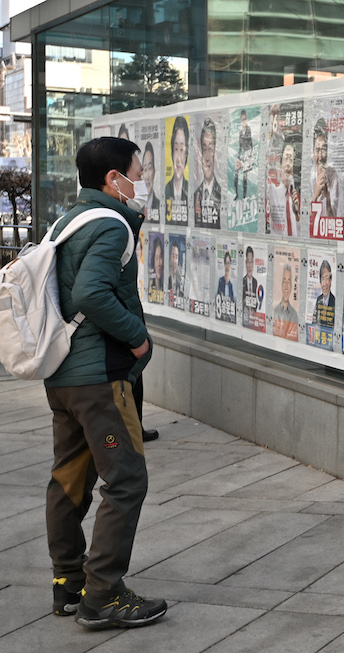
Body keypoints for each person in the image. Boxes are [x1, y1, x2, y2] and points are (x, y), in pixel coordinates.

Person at [44, 136, 167, 629]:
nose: (143, 181)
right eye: (138, 172)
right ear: (113, 180)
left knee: (69, 477)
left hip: (65, 378)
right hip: (99, 378)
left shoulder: (67, 221)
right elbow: (91, 293)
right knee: (127, 479)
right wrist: (138, 339)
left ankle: (68, 585)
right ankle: (104, 595)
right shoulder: (110, 225)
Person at [310, 118, 344, 219]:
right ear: (313, 151)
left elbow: (333, 219)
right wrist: (316, 194)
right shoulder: (308, 176)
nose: (320, 157)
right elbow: (304, 221)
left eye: (323, 150)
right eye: (317, 150)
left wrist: (327, 199)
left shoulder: (333, 176)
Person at [193, 118, 222, 228]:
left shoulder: (222, 194)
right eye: (204, 149)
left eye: (211, 148)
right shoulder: (195, 195)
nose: (207, 158)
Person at [267, 140, 300, 237]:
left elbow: (301, 232)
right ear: (280, 166)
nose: (288, 164)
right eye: (286, 159)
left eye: (291, 160)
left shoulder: (297, 199)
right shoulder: (272, 192)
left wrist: (297, 215)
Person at [164, 116, 189, 223]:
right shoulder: (165, 190)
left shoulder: (192, 191)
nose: (179, 159)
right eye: (176, 149)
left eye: (182, 150)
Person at [272, 263, 299, 339]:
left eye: (289, 282)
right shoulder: (275, 311)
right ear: (281, 284)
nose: (286, 287)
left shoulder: (294, 315)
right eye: (284, 281)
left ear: (291, 286)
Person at [234, 109, 254, 200]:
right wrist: (238, 158)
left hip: (248, 155)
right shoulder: (240, 133)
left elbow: (251, 146)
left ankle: (245, 195)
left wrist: (247, 159)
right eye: (242, 120)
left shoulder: (249, 130)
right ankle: (237, 193)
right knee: (236, 174)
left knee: (245, 176)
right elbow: (239, 147)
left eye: (245, 119)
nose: (244, 122)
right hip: (242, 155)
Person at [141, 143, 160, 220]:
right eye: (145, 169)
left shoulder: (160, 206)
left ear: (154, 171)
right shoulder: (137, 208)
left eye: (149, 168)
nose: (147, 177)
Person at [314, 259, 335, 327]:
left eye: (327, 278)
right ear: (320, 282)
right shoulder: (318, 300)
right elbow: (313, 322)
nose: (325, 284)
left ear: (330, 280)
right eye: (323, 279)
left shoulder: (335, 302)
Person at [242, 245, 259, 316]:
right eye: (248, 261)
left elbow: (257, 301)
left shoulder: (255, 282)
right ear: (245, 263)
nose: (249, 266)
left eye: (251, 261)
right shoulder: (242, 281)